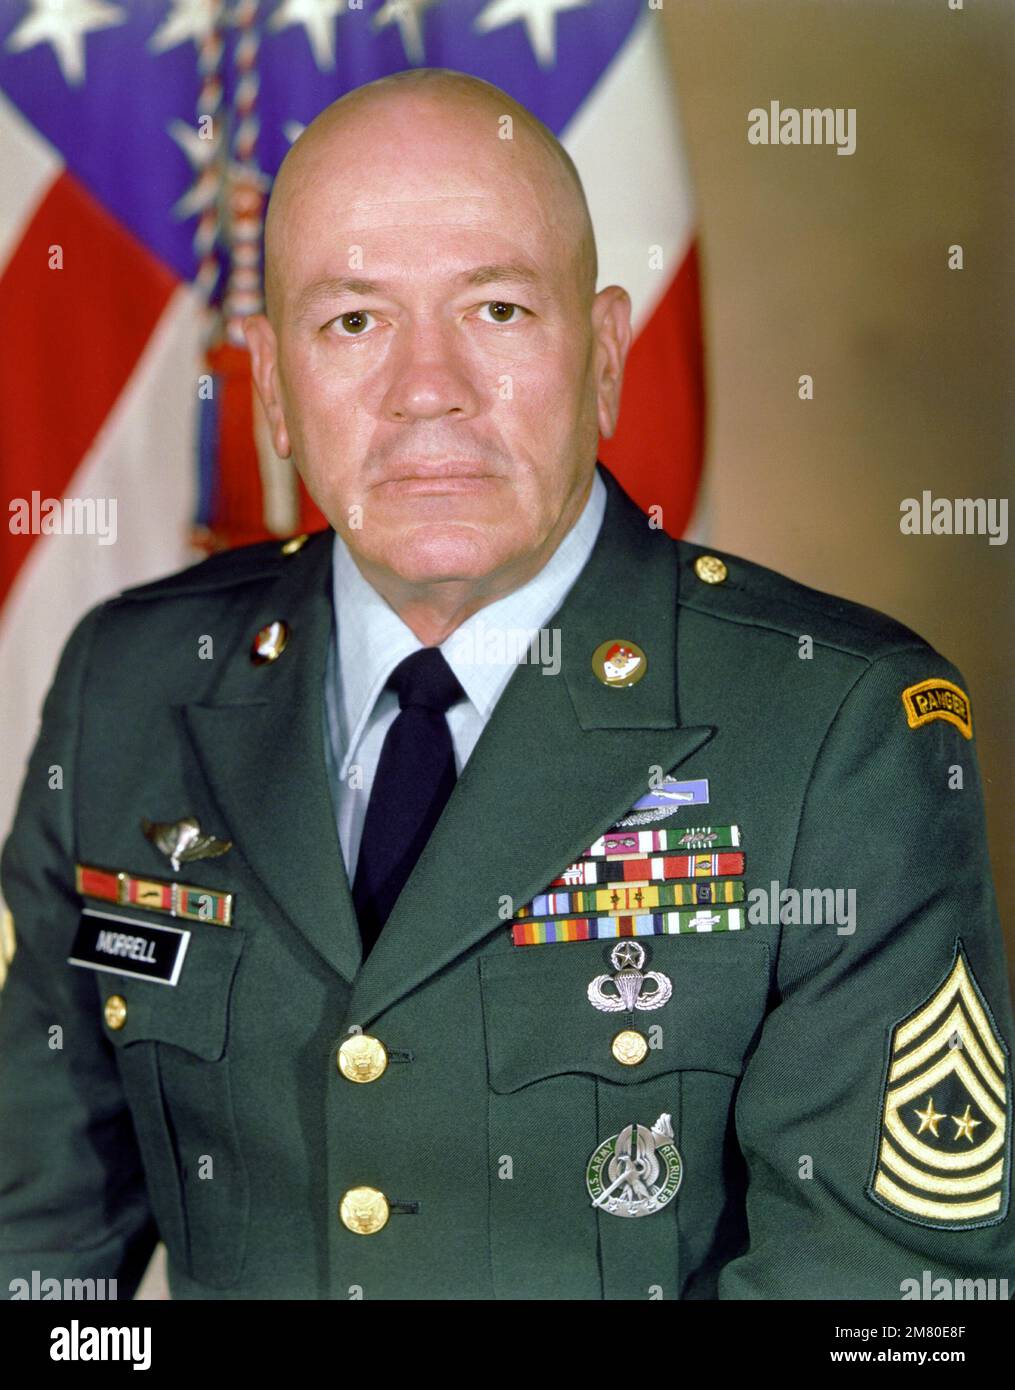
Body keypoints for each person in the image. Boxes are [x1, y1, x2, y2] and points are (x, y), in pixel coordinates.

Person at [0, 68, 1011, 1302]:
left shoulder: (835, 729)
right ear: (270, 386)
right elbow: (30, 1243)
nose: (428, 388)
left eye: (496, 308)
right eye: (353, 321)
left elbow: (890, 1306)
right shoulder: (132, 684)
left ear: (604, 355)